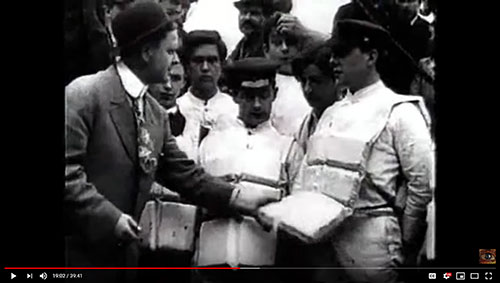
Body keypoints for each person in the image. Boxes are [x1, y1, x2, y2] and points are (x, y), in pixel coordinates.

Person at [65, 3, 279, 282]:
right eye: (169, 51)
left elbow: (183, 174)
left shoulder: (154, 114)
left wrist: (238, 198)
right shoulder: (85, 94)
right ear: (146, 53)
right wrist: (111, 219)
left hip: (123, 264)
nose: (174, 60)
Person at [294, 19, 433, 283]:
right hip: (325, 237)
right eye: (333, 53)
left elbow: (421, 183)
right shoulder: (331, 112)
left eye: (343, 53)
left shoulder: (400, 111)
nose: (334, 60)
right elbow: (309, 170)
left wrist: (407, 238)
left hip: (373, 234)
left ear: (371, 56)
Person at [195, 57, 301, 283]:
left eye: (263, 95)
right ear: (235, 95)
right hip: (212, 265)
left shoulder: (287, 148)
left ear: (275, 92)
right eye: (248, 96)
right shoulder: (211, 143)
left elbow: (295, 214)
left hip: (263, 265)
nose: (256, 105)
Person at [333, 0, 432, 94]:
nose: (405, 6)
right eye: (402, 1)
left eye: (410, 1)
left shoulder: (424, 29)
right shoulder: (349, 11)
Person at [175, 30, 239, 161]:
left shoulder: (235, 111)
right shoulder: (177, 110)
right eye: (198, 61)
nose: (205, 68)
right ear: (187, 67)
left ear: (221, 66)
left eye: (212, 60)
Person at [262, 14, 311, 137]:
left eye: (291, 42)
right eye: (277, 43)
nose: (285, 49)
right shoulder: (262, 87)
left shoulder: (313, 83)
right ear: (265, 50)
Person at [149, 62, 187, 136]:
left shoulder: (192, 122)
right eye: (161, 78)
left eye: (175, 79)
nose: (168, 86)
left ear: (183, 83)